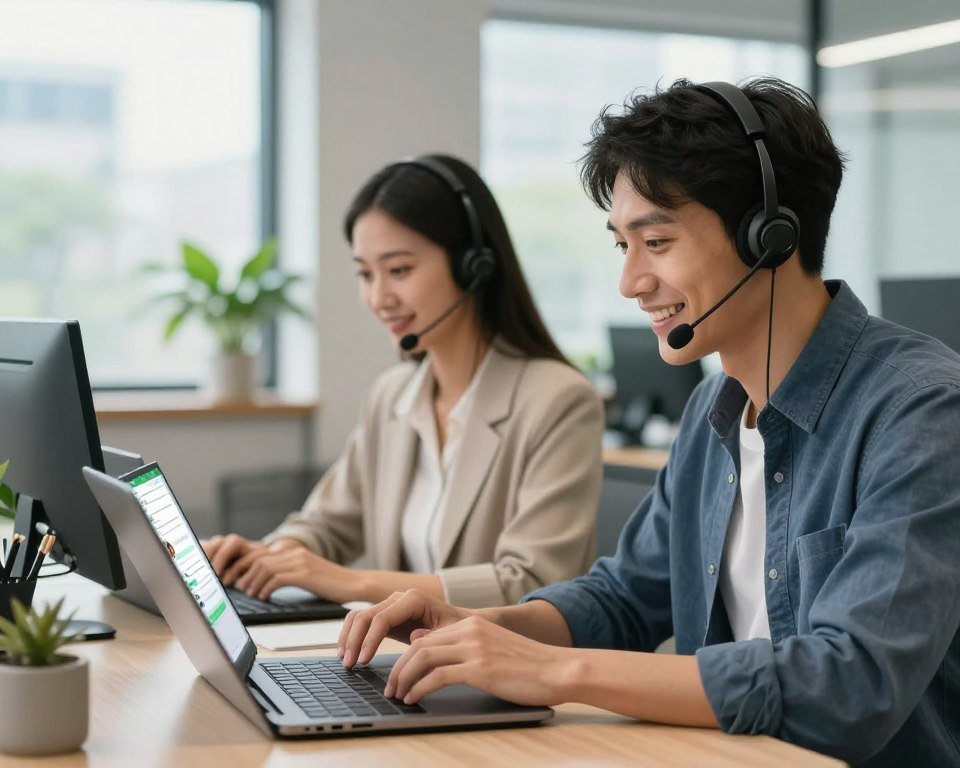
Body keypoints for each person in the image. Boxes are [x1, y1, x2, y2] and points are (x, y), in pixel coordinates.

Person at [337, 80, 960, 767]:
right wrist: (481, 628)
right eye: (622, 247)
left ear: (769, 237)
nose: (631, 281)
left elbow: (851, 685)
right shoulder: (712, 411)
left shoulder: (922, 411)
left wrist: (555, 671)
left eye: (656, 242)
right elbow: (625, 599)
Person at [204, 154, 604, 609]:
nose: (378, 298)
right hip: (398, 650)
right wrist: (269, 556)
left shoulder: (559, 400)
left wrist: (352, 583)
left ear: (473, 266)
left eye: (398, 270)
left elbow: (532, 582)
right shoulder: (392, 396)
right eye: (365, 274)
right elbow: (327, 525)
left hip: (499, 653)